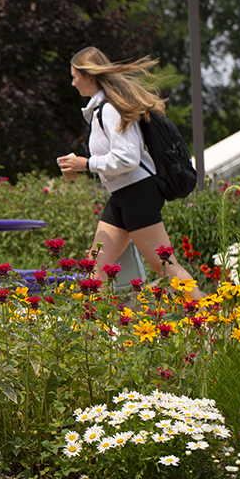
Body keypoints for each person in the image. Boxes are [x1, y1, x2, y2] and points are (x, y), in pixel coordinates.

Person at [57, 46, 204, 299]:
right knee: (95, 269)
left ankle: (208, 318)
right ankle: (92, 336)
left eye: (75, 76)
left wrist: (86, 164)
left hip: (138, 194)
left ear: (89, 75)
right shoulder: (101, 111)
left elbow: (128, 158)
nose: (72, 83)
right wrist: (85, 164)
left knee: (166, 267)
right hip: (123, 195)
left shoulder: (109, 110)